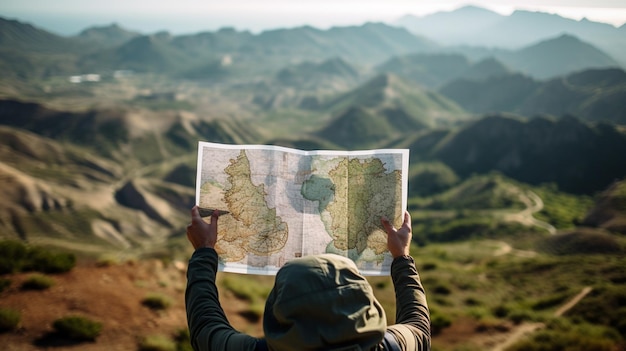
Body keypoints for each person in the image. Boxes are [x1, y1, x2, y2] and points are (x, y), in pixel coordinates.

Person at [185, 205, 431, 351]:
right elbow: (418, 324)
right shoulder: (389, 347)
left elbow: (205, 326)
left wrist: (205, 251)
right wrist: (401, 257)